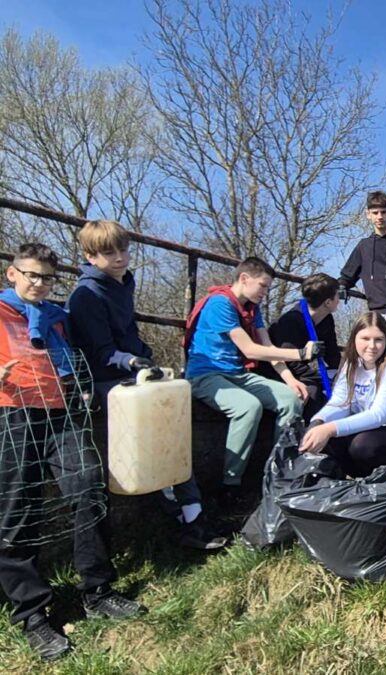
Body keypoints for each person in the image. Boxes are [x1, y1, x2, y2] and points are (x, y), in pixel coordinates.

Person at [1, 243, 144, 661]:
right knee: (17, 510)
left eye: (46, 277)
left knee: (89, 491)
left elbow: (72, 357)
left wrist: (78, 382)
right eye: (31, 275)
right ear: (12, 274)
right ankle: (32, 613)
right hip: (11, 416)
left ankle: (97, 590)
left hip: (61, 415)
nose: (39, 283)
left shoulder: (57, 317)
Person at [67, 220, 224, 551]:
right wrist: (134, 361)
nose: (120, 258)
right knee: (154, 440)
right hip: (103, 378)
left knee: (175, 431)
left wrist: (145, 357)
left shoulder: (123, 283)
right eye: (109, 253)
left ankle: (193, 516)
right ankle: (179, 516)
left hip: (130, 370)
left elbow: (129, 333)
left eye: (123, 249)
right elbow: (102, 351)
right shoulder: (86, 295)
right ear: (90, 256)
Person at [184, 256, 322, 502]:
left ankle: (279, 474)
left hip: (238, 374)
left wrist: (289, 378)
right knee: (248, 407)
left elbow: (266, 346)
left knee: (291, 400)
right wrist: (301, 354)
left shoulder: (252, 308)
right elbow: (250, 350)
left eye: (268, 287)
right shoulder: (220, 304)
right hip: (206, 374)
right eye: (263, 286)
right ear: (244, 279)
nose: (266, 292)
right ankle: (230, 484)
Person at [300, 312, 386, 484]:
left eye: (378, 339)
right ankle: (352, 484)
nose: (372, 346)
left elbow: (378, 415)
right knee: (325, 439)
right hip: (375, 430)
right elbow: (340, 403)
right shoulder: (352, 363)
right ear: (354, 339)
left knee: (362, 445)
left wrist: (329, 428)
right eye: (365, 338)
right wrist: (319, 422)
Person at [338, 190, 386, 344]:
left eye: (384, 212)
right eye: (375, 212)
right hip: (375, 316)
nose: (380, 217)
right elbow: (347, 276)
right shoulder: (363, 246)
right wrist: (341, 286)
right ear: (368, 214)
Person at [265, 273, 342, 421]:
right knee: (312, 392)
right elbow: (291, 361)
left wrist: (342, 375)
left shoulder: (326, 319)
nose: (339, 300)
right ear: (328, 302)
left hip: (299, 371)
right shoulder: (291, 321)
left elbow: (332, 354)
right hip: (278, 371)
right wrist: (321, 379)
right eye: (337, 296)